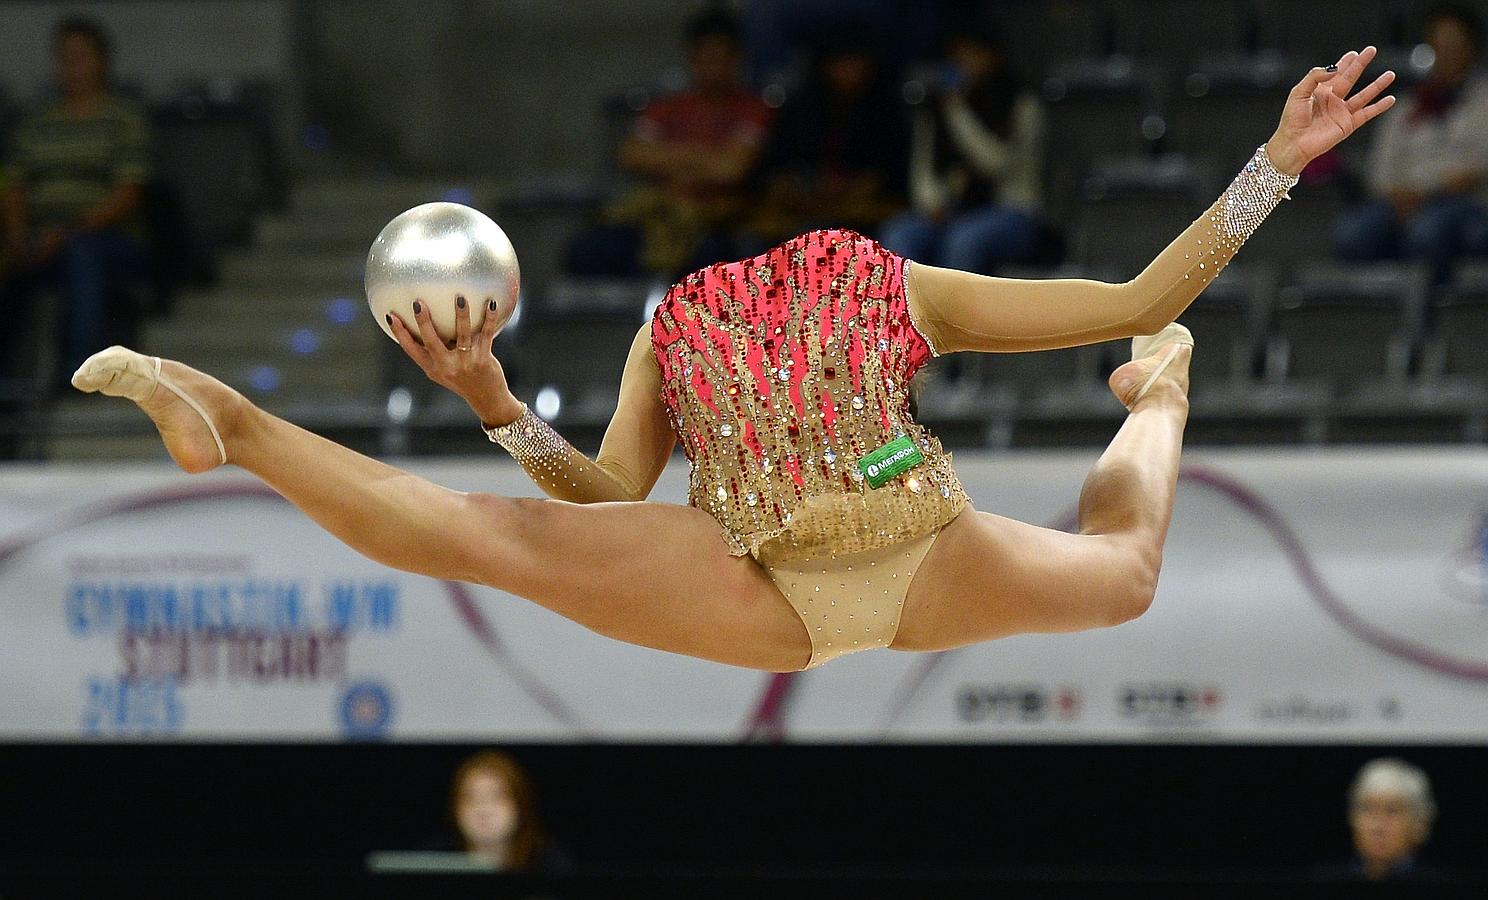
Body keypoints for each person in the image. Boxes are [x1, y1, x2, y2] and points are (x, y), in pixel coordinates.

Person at [72, 50, 1394, 673]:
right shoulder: (885, 278)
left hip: (765, 585)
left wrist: (494, 406)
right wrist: (1274, 163)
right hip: (916, 555)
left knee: (489, 537)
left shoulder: (677, 315)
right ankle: (1159, 401)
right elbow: (1139, 292)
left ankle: (236, 423)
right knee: (1131, 570)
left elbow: (598, 506)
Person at [1, 17, 154, 385]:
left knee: (83, 254)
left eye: (81, 57)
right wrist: (18, 235)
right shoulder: (37, 123)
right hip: (40, 237)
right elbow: (15, 184)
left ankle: (77, 373)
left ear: (102, 61)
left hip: (104, 238)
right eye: (64, 58)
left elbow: (129, 192)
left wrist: (67, 232)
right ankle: (8, 376)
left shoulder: (123, 119)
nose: (72, 67)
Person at [565, 8, 771, 279]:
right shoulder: (668, 106)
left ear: (737, 59)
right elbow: (631, 155)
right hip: (658, 214)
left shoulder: (753, 109)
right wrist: (701, 157)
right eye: (704, 59)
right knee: (588, 251)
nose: (711, 68)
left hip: (716, 222)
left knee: (713, 261)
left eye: (720, 59)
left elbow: (730, 169)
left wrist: (669, 159)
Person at [879, 19, 1057, 275]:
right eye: (956, 55)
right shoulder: (934, 106)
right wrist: (932, 203)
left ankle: (953, 317)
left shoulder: (1022, 103)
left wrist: (957, 110)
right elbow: (923, 169)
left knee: (965, 240)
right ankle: (904, 315)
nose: (963, 62)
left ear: (993, 56)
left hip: (1011, 211)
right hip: (952, 210)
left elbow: (994, 164)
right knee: (898, 234)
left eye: (971, 54)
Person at [1333, 3, 1488, 284]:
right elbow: (1379, 173)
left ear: (1472, 49)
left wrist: (1425, 197)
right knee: (1351, 233)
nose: (1446, 52)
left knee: (1427, 232)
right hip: (1399, 204)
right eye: (1439, 45)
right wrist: (1401, 199)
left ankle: (1429, 318)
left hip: (1465, 204)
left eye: (1454, 44)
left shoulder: (1484, 103)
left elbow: (1476, 171)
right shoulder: (1406, 107)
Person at [740, 20, 911, 251]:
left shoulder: (887, 111)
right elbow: (776, 168)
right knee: (752, 241)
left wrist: (855, 189)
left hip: (863, 215)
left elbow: (891, 174)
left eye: (855, 62)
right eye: (840, 63)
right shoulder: (801, 106)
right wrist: (796, 187)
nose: (848, 71)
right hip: (802, 207)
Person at [420, 750, 571, 873]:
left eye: (497, 797)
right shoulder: (429, 864)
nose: (483, 810)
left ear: (521, 806)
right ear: (454, 810)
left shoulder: (551, 866)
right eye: (470, 798)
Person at [1311, 757, 1451, 882]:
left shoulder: (1447, 889)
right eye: (1367, 810)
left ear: (1420, 824)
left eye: (1392, 811)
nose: (1377, 826)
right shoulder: (1320, 886)